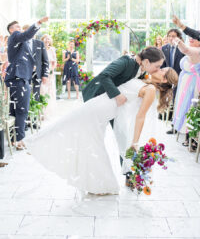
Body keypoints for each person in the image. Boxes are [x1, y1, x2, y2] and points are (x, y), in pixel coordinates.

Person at [28, 67, 178, 195]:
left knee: (75, 126)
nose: (158, 69)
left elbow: (140, 117)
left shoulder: (151, 89)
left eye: (162, 70)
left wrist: (135, 142)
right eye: (160, 67)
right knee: (77, 128)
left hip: (105, 108)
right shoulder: (146, 81)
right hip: (101, 102)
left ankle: (37, 143)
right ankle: (96, 181)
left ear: (165, 80)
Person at [4, 17, 48, 150]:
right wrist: (38, 23)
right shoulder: (16, 36)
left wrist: (32, 66)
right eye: (17, 27)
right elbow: (26, 34)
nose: (20, 28)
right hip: (19, 77)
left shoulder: (19, 44)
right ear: (12, 30)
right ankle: (19, 140)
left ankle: (14, 139)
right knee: (22, 109)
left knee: (15, 110)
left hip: (17, 77)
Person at [82, 47, 165, 106]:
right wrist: (118, 95)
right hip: (96, 95)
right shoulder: (126, 62)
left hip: (110, 101)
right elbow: (104, 75)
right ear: (147, 62)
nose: (158, 69)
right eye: (157, 66)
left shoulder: (142, 69)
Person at [172, 36, 200, 148]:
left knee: (192, 109)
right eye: (190, 37)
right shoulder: (190, 50)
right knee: (185, 109)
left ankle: (193, 137)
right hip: (184, 86)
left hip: (194, 86)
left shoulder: (196, 52)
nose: (191, 39)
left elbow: (185, 50)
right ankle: (188, 135)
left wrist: (178, 41)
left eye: (194, 38)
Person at [161, 29, 185, 133]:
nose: (171, 38)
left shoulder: (183, 49)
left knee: (176, 101)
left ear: (179, 38)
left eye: (174, 36)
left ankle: (175, 126)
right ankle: (163, 113)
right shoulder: (164, 48)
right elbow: (162, 65)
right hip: (167, 79)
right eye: (169, 36)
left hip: (180, 79)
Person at [22, 25, 49, 102]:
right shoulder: (20, 44)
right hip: (23, 74)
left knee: (36, 94)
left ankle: (35, 113)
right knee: (25, 94)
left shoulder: (40, 44)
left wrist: (45, 75)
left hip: (37, 73)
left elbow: (45, 60)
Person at [40, 34, 57, 116]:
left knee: (50, 91)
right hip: (42, 72)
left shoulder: (52, 49)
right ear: (42, 40)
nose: (47, 41)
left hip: (50, 73)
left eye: (48, 39)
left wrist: (50, 70)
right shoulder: (40, 49)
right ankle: (42, 111)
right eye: (45, 39)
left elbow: (54, 62)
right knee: (42, 90)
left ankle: (49, 111)